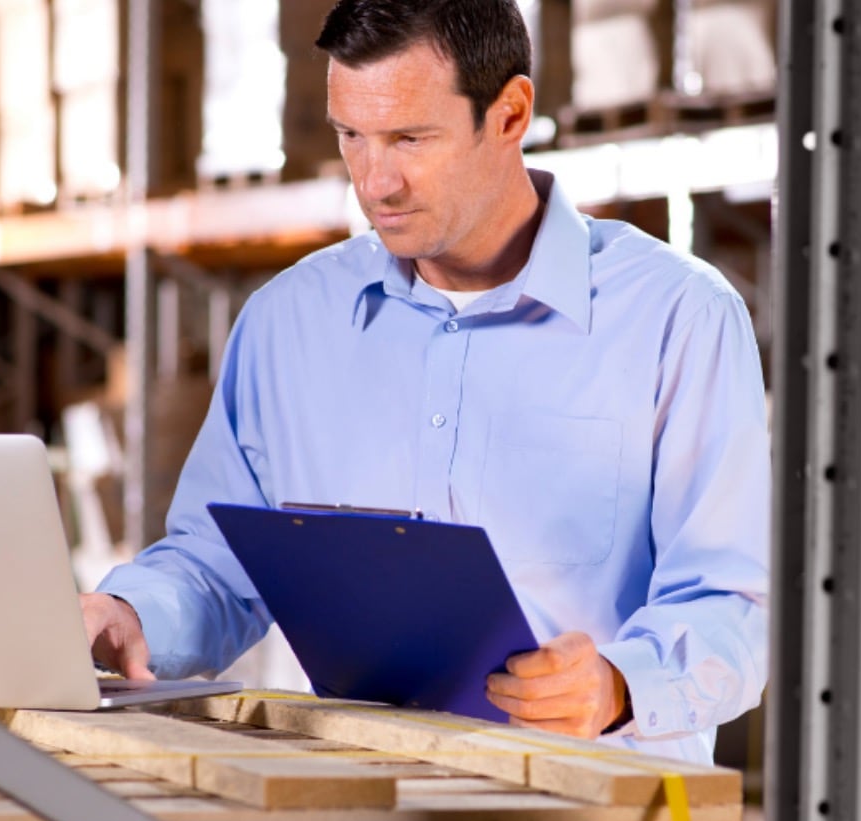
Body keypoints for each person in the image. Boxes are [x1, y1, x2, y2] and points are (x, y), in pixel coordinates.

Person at [78, 0, 768, 764]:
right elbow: (218, 565)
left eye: (410, 138)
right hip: (365, 812)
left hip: (594, 815)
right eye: (352, 137)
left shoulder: (677, 318)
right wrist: (134, 613)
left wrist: (617, 684)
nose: (376, 182)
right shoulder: (289, 324)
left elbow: (732, 606)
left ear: (509, 114)